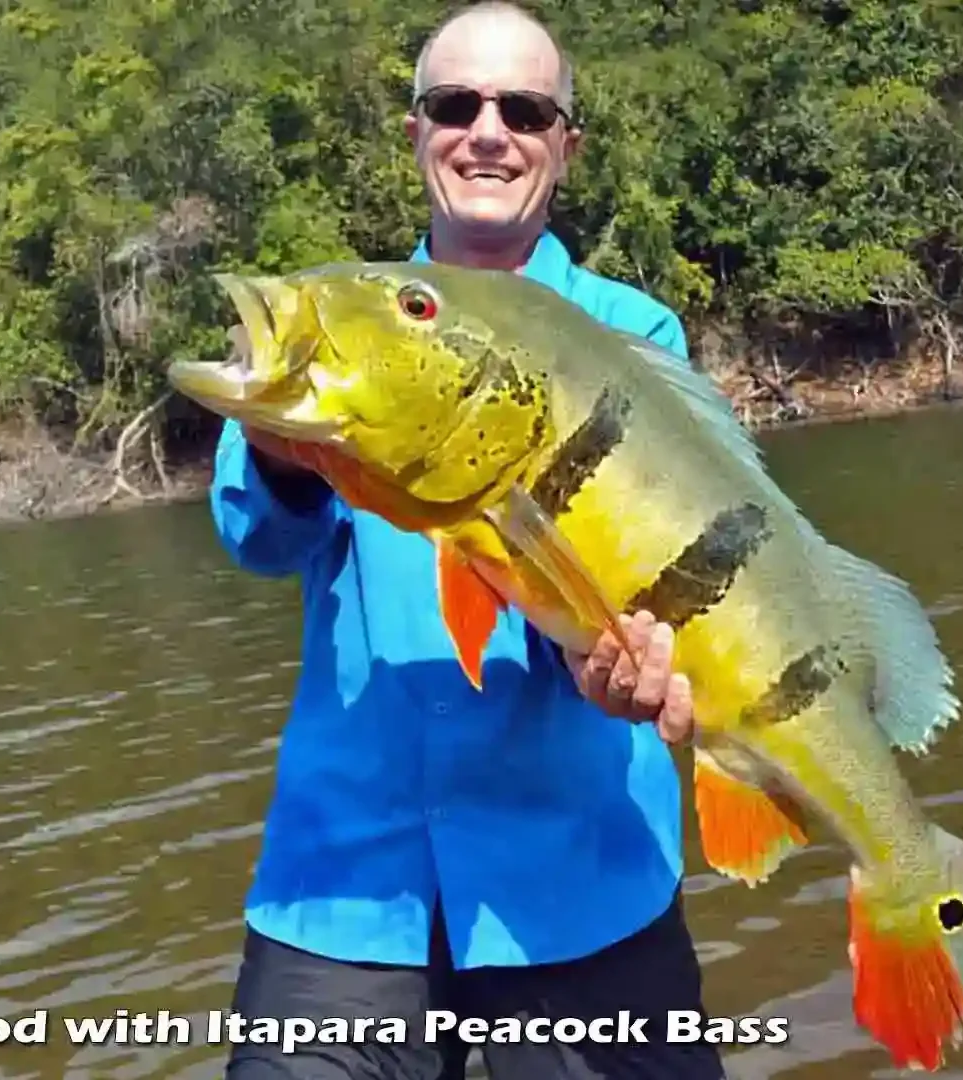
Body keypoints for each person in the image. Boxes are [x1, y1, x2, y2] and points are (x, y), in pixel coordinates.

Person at [210, 3, 727, 1078]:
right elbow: (256, 538)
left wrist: (615, 663)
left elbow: (652, 588)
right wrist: (274, 453)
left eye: (523, 109)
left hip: (582, 887)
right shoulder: (347, 324)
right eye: (456, 104)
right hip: (346, 896)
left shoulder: (636, 339)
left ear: (565, 146)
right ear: (415, 133)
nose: (487, 131)